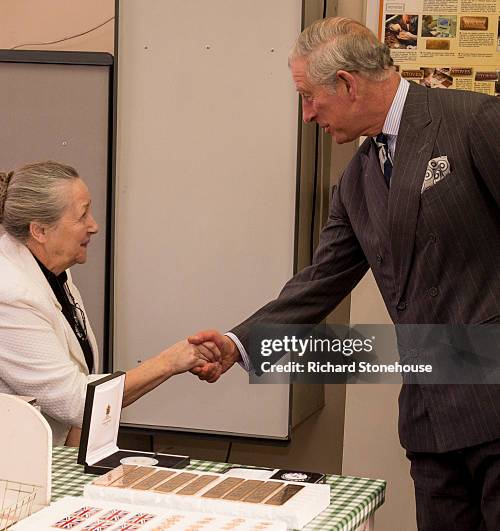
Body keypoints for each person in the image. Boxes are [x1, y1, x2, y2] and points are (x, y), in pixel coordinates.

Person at [189, 17, 500, 530]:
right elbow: (320, 281)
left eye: (310, 97)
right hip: (431, 425)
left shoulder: (474, 122)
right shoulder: (357, 179)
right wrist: (240, 344)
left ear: (349, 85)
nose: (308, 114)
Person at [0, 161, 219, 446]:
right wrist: (170, 361)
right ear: (39, 230)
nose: (94, 226)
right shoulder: (2, 294)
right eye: (82, 216)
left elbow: (78, 386)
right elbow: (79, 401)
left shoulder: (51, 268)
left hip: (29, 448)